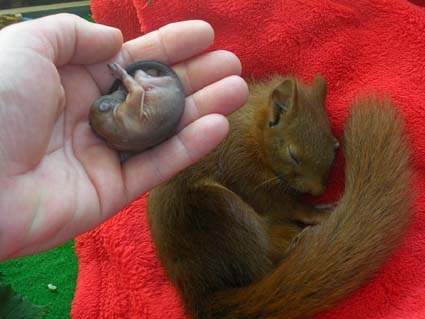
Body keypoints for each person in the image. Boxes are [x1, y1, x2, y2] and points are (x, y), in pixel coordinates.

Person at [0, 14, 248, 261]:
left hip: (163, 100)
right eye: (112, 100)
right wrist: (123, 76)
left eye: (113, 98)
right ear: (111, 114)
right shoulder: (123, 120)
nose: (116, 96)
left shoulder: (119, 138)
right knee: (140, 81)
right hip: (161, 90)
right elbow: (137, 90)